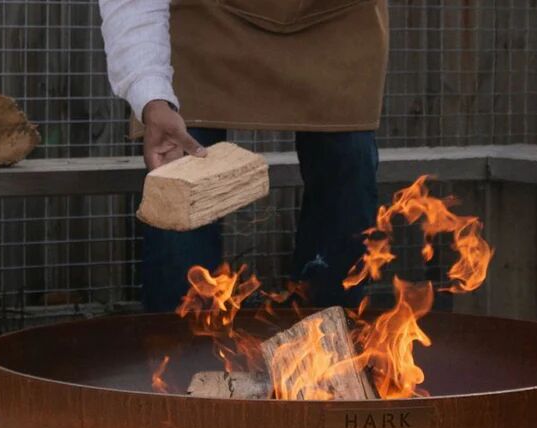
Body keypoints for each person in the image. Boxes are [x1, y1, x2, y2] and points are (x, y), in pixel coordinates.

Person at [99, 0, 389, 311]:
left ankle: (328, 334)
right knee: (179, 177)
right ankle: (178, 337)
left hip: (337, 20)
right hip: (202, 19)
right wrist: (151, 96)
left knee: (348, 166)